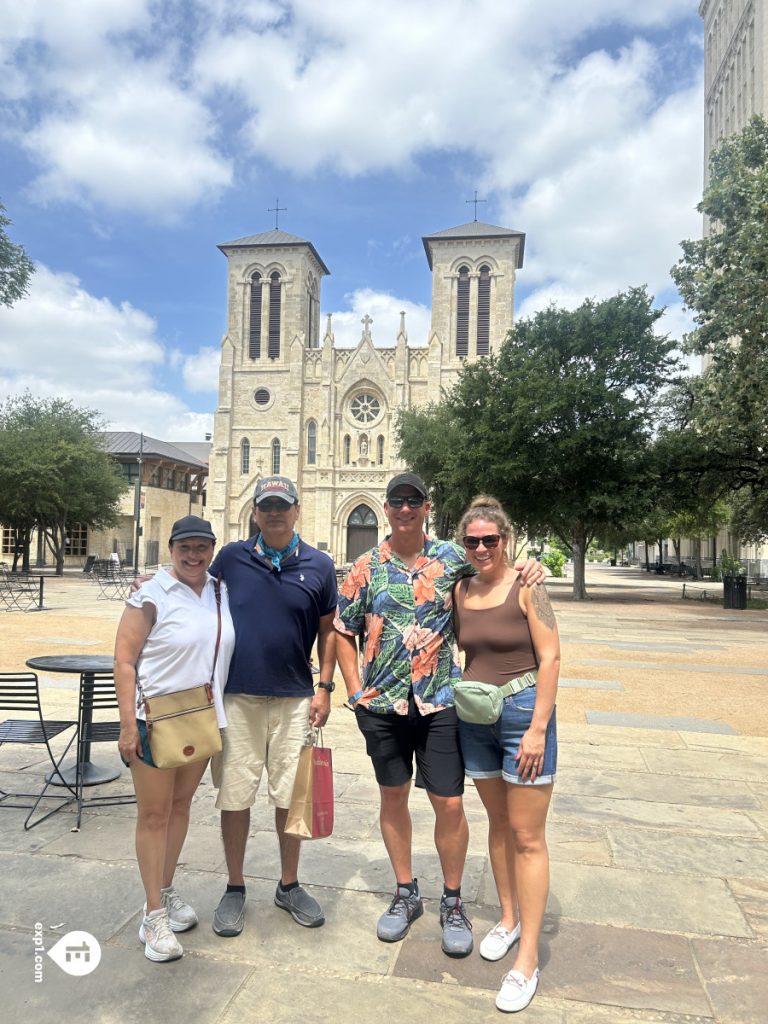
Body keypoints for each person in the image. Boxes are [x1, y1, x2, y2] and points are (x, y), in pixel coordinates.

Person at [334, 473, 544, 959]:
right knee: (393, 797)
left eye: (414, 501)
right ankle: (406, 892)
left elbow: (497, 573)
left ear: (427, 508)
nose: (404, 508)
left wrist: (531, 567)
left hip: (439, 702)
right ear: (385, 509)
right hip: (383, 704)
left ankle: (452, 901)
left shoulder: (453, 559)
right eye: (396, 501)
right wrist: (353, 688)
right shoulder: (365, 567)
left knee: (449, 804)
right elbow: (342, 629)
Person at [208, 476, 338, 937]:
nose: (275, 513)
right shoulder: (230, 558)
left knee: (291, 797)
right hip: (237, 698)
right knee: (235, 795)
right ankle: (235, 886)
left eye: (283, 506)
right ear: (256, 512)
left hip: (295, 699)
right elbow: (192, 589)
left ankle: (288, 884)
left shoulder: (320, 565)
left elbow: (329, 634)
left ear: (297, 511)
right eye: (267, 506)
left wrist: (325, 686)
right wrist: (154, 581)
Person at [453, 496, 559, 1014]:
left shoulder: (528, 585)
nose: (480, 548)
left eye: (489, 540)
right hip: (476, 717)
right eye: (471, 541)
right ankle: (508, 917)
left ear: (506, 540)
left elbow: (553, 655)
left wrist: (538, 727)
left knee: (526, 835)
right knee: (497, 825)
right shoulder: (459, 588)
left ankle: (529, 959)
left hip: (521, 716)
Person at [115, 515, 236, 963]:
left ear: (212, 549)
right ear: (170, 549)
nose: (193, 555)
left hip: (199, 716)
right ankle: (152, 916)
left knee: (181, 807)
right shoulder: (150, 594)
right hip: (154, 720)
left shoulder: (219, 590)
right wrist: (128, 724)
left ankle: (163, 893)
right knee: (153, 815)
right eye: (184, 547)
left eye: (202, 547)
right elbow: (124, 661)